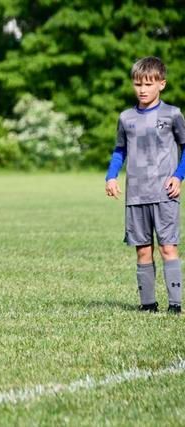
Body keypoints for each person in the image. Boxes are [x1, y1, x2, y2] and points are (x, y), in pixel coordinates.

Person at [105, 56, 185, 314]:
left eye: (149, 83)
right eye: (138, 83)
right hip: (136, 195)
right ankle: (148, 304)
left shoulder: (172, 114)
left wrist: (178, 175)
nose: (142, 89)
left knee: (168, 247)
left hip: (164, 193)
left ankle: (175, 305)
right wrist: (111, 176)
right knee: (142, 251)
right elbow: (119, 150)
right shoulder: (126, 117)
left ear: (161, 84)